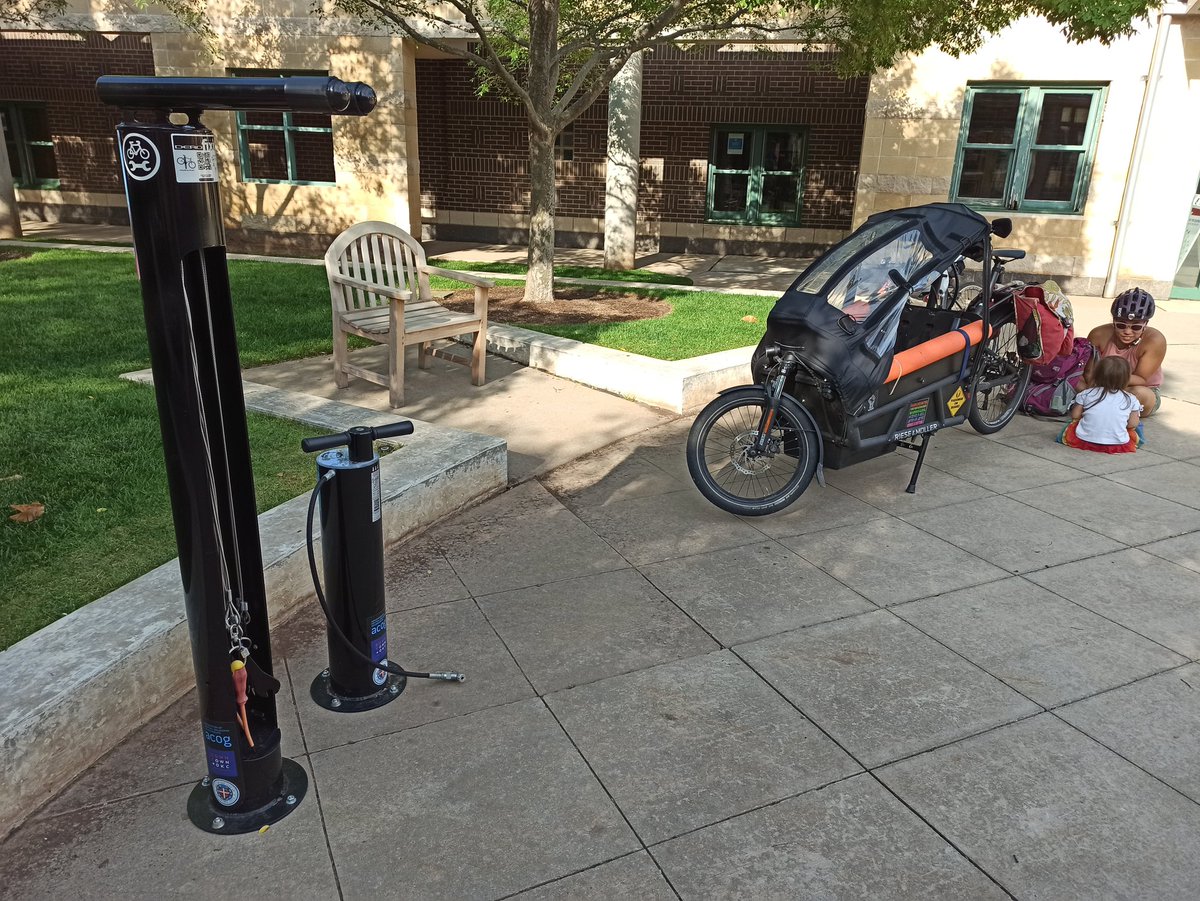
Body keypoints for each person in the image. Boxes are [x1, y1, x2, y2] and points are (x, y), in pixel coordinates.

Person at [1085, 287, 1166, 417]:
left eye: (1136, 327)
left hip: (1136, 389)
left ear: (1145, 324)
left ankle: (1100, 406)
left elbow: (1142, 379)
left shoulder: (1155, 341)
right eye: (1121, 325)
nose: (1127, 332)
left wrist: (1107, 382)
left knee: (1138, 394)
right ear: (1113, 321)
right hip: (1099, 386)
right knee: (1074, 382)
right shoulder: (1098, 334)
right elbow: (1088, 372)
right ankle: (1105, 406)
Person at [1057, 356, 1142, 454]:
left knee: (1072, 424)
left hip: (1083, 440)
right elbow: (1132, 424)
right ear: (1127, 378)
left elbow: (1075, 416)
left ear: (1096, 375)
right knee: (1138, 425)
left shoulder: (1086, 393)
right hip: (1117, 444)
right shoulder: (1131, 399)